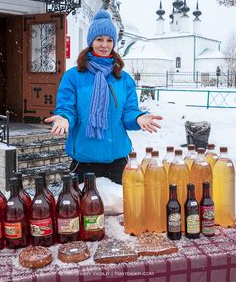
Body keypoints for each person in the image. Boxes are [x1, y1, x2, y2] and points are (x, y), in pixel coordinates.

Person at [44, 10, 162, 184]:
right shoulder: (74, 76)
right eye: (99, 39)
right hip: (84, 161)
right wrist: (64, 118)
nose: (104, 45)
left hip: (117, 161)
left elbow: (128, 112)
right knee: (85, 210)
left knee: (122, 209)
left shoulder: (123, 79)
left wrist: (138, 117)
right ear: (91, 42)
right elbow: (67, 108)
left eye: (109, 40)